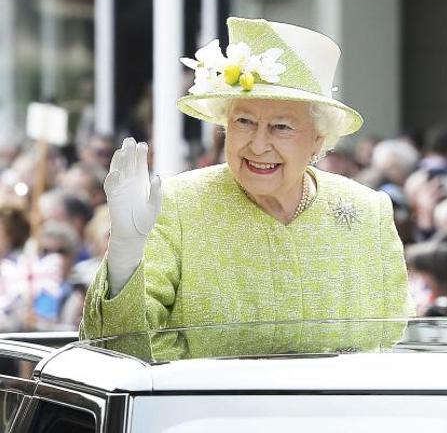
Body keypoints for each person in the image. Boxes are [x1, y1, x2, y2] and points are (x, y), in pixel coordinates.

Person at [80, 18, 410, 357]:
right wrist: (124, 255)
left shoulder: (369, 211)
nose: (258, 145)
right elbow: (121, 352)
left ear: (318, 140)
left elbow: (392, 343)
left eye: (281, 127)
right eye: (244, 122)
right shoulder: (178, 205)